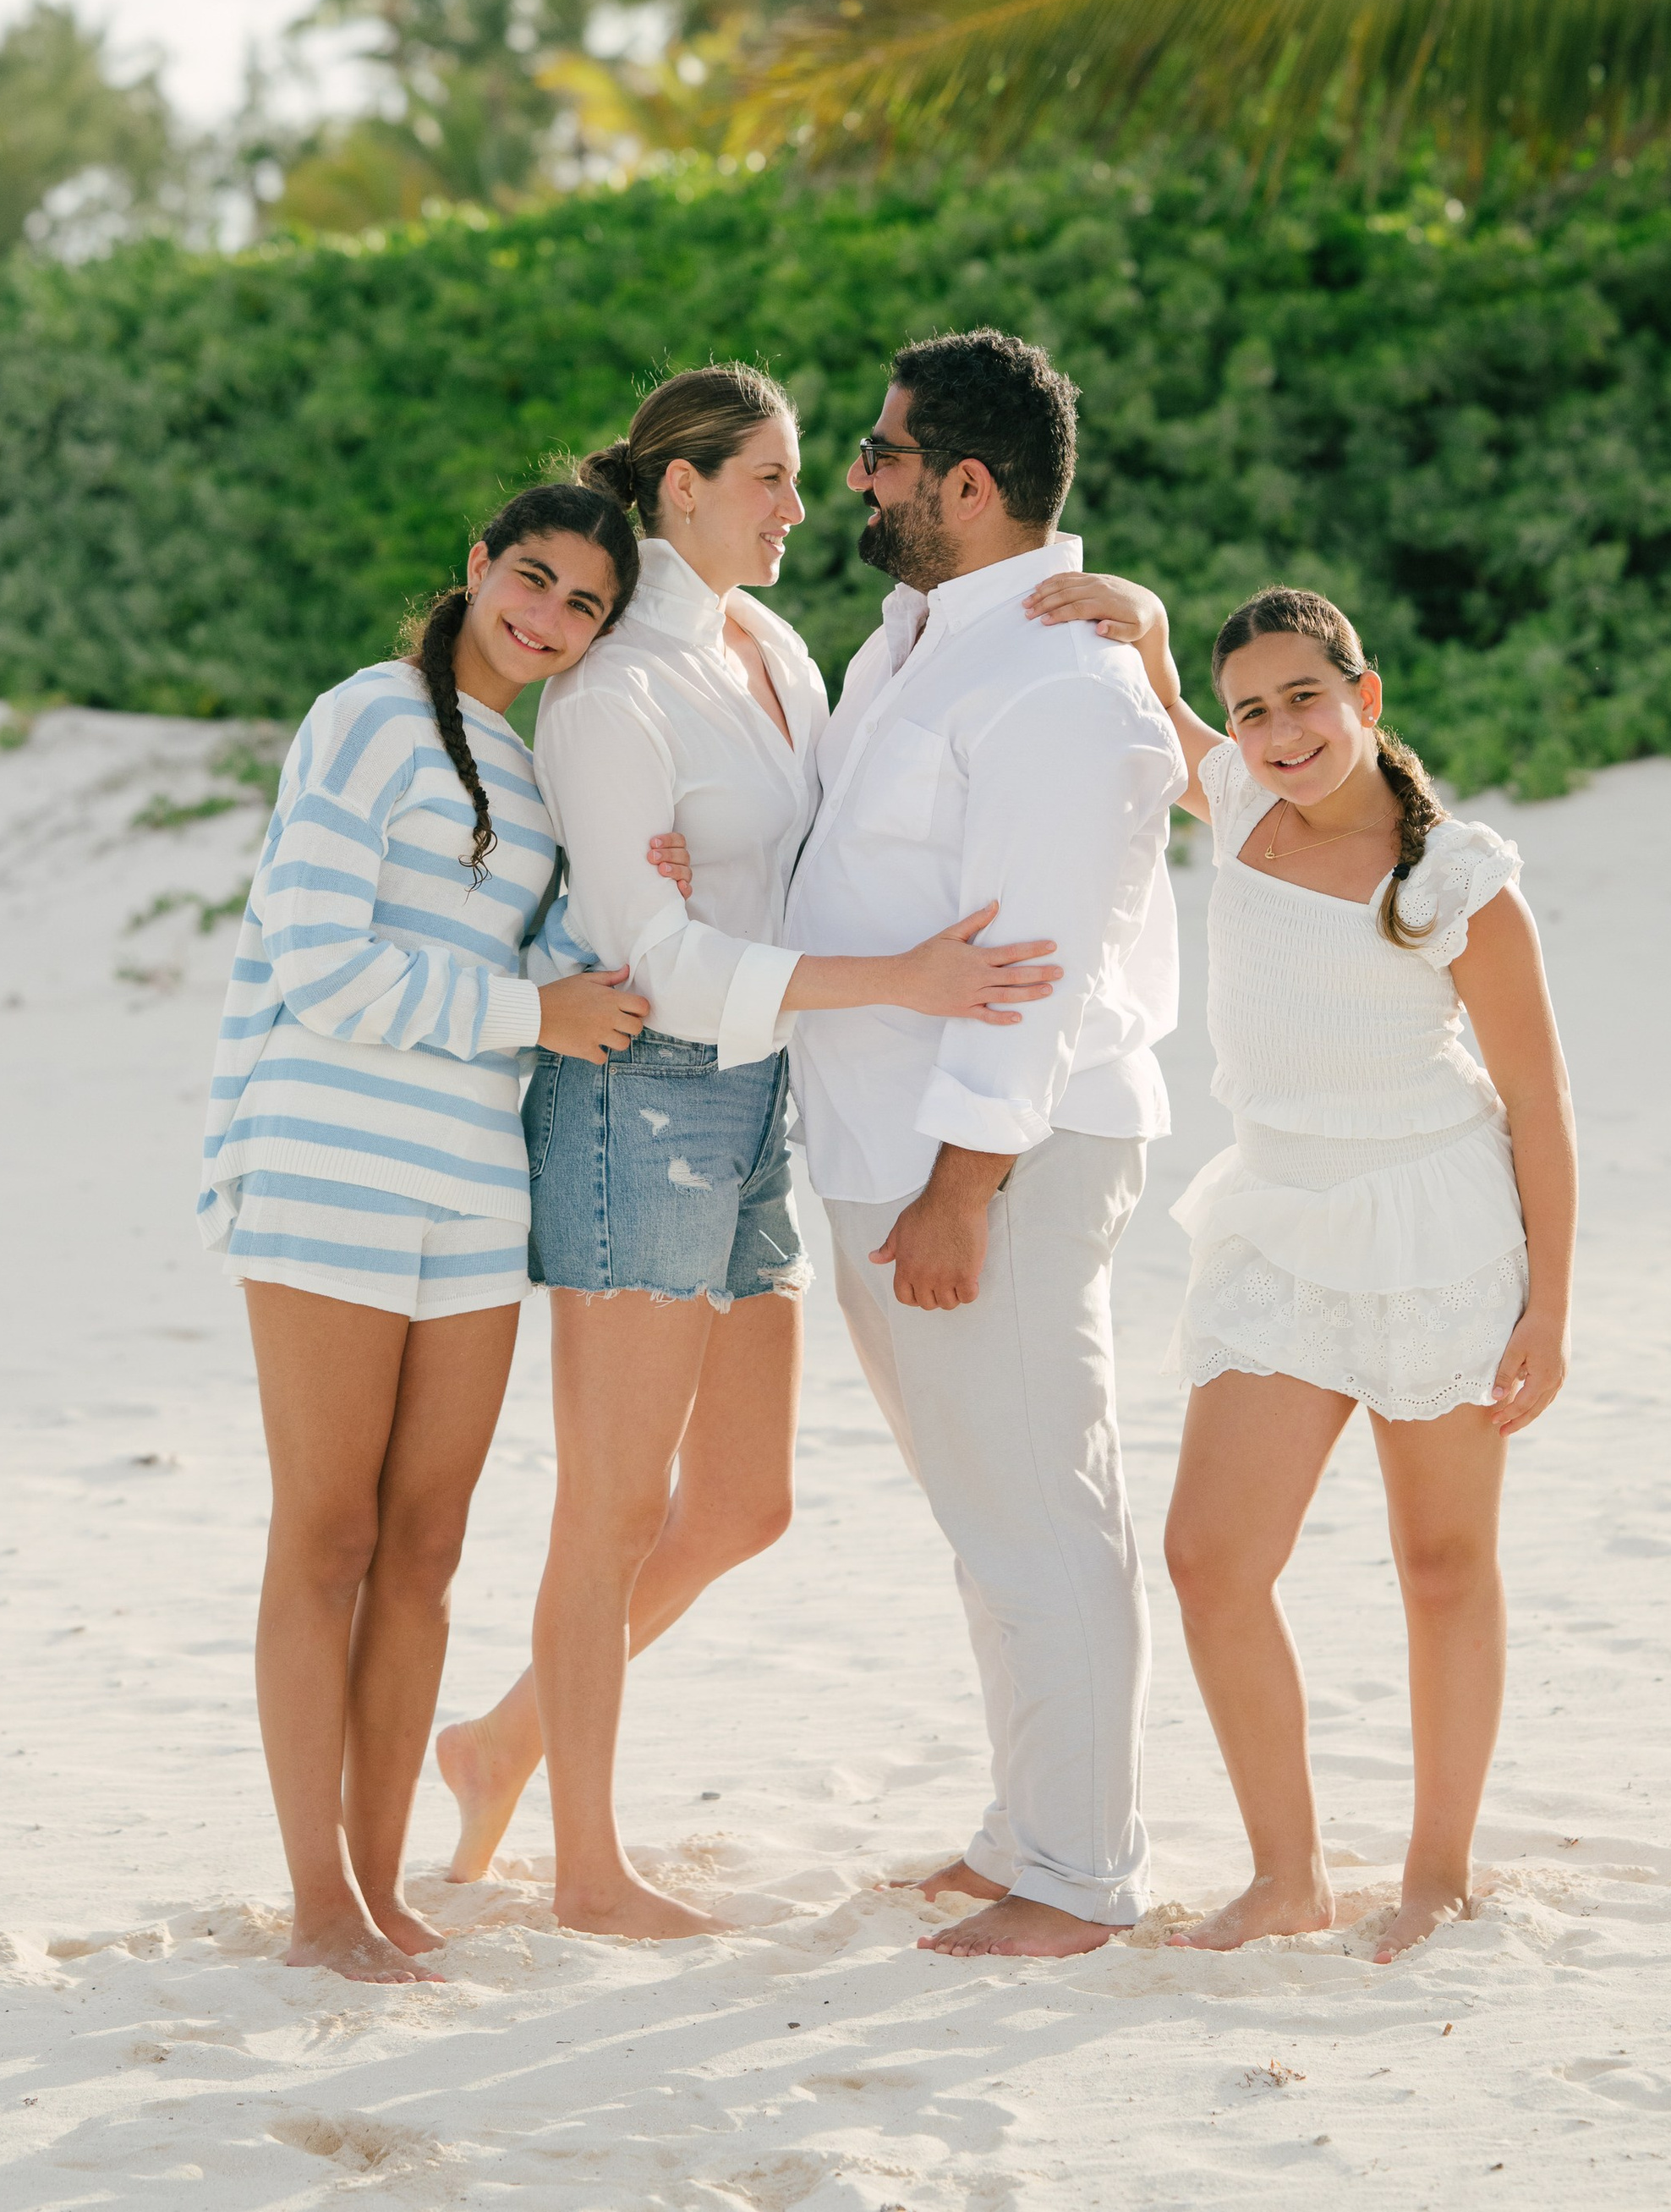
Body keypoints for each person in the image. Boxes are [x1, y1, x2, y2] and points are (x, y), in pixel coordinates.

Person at [437, 363, 1064, 1940]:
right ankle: (585, 1864)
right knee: (613, 1505)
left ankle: (500, 1737)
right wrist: (903, 980)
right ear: (682, 488)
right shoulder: (609, 696)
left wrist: (1112, 604)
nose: (810, 504)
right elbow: (660, 961)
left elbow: (852, 803)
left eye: (811, 474)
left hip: (761, 1094)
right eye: (775, 478)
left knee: (741, 1501)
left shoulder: (772, 645)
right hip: (638, 1095)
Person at [1022, 569, 1578, 1963]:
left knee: (1442, 1562)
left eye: (1305, 699)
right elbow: (1156, 694)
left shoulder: (1453, 880)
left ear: (1364, 696)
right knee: (1213, 1558)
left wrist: (1549, 1310)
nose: (1279, 731)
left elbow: (1541, 1105)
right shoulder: (1246, 805)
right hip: (1278, 1221)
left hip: (1436, 1229)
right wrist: (1148, 621)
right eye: (1253, 710)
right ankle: (1288, 1874)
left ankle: (1436, 1874)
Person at [199, 485, 651, 1981]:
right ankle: (317, 1897)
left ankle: (383, 1885)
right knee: (325, 1537)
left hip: (475, 1185)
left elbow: (531, 977)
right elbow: (326, 968)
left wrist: (627, 917)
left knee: (428, 1547)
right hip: (329, 1162)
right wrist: (533, 1006)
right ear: (476, 566)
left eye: (584, 603)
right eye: (533, 578)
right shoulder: (365, 717)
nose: (549, 616)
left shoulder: (529, 778)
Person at [781, 327, 1187, 1962]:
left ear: (968, 482)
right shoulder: (916, 644)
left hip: (994, 1162)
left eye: (881, 454)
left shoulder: (1057, 681)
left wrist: (963, 1186)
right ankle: (1027, 1828)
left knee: (1042, 1507)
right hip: (889, 1147)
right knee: (987, 1513)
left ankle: (1082, 1878)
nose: (858, 479)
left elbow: (1046, 957)